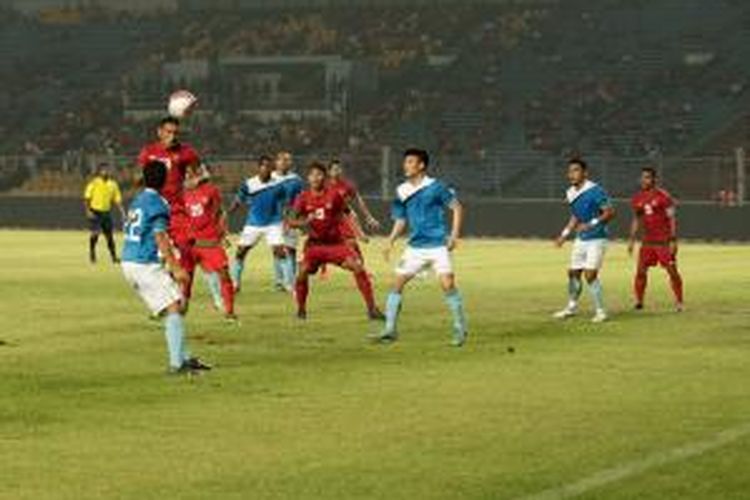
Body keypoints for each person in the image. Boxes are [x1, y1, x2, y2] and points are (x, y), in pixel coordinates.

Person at [121, 161, 210, 375]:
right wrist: (176, 267)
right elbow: (160, 236)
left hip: (129, 262)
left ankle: (184, 357)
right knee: (174, 308)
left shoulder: (138, 200)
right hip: (144, 264)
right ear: (166, 180)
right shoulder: (158, 204)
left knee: (175, 306)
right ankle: (177, 364)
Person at [376, 149, 467, 346]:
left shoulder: (436, 187)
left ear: (421, 165)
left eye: (410, 162)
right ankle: (390, 329)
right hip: (415, 248)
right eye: (405, 162)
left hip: (437, 246)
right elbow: (401, 219)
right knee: (397, 284)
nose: (405, 165)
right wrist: (390, 241)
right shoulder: (402, 190)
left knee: (447, 285)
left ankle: (460, 328)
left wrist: (454, 236)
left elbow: (457, 207)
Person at [287, 161, 384, 321]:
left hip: (335, 244)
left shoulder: (334, 195)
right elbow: (291, 221)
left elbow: (347, 212)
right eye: (312, 175)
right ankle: (301, 311)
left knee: (358, 267)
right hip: (315, 246)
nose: (316, 178)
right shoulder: (303, 197)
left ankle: (372, 309)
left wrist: (359, 231)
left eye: (319, 174)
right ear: (308, 178)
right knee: (302, 273)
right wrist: (304, 222)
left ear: (324, 177)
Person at [137, 116, 200, 304]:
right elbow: (138, 176)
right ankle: (164, 299)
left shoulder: (186, 152)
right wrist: (142, 177)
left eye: (175, 133)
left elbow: (201, 171)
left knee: (186, 249)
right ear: (159, 132)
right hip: (155, 208)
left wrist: (194, 181)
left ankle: (184, 294)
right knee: (155, 257)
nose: (172, 136)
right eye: (168, 132)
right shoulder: (149, 152)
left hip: (176, 211)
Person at [554, 159, 615, 323]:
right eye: (570, 171)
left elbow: (609, 212)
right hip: (581, 239)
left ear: (585, 173)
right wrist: (565, 234)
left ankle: (601, 311)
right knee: (573, 273)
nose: (571, 174)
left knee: (590, 275)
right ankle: (571, 307)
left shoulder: (596, 190)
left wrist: (591, 224)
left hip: (597, 238)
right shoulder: (570, 192)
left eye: (576, 171)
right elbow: (575, 216)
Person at [228, 155, 293, 293]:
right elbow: (239, 198)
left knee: (280, 251)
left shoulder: (278, 184)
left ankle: (289, 284)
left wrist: (286, 217)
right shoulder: (249, 183)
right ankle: (235, 283)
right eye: (264, 166)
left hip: (273, 223)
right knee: (240, 252)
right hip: (253, 224)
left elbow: (286, 202)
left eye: (269, 166)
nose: (267, 169)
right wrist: (230, 211)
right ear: (259, 168)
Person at [184, 164, 237, 320]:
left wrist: (223, 233)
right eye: (185, 173)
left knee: (224, 274)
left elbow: (220, 213)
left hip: (210, 242)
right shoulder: (181, 193)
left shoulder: (211, 190)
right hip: (191, 244)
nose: (188, 176)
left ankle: (230, 311)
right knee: (183, 279)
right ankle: (178, 310)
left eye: (190, 172)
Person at [628, 167, 684, 311]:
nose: (643, 180)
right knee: (640, 272)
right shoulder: (637, 198)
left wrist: (673, 239)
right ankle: (639, 301)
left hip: (664, 243)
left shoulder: (663, 196)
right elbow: (636, 219)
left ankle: (679, 301)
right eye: (642, 177)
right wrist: (632, 240)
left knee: (672, 271)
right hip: (647, 243)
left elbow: (671, 218)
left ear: (654, 179)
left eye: (647, 177)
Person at [272, 151, 304, 291]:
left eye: (288, 160)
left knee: (290, 249)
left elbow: (300, 201)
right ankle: (279, 281)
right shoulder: (270, 178)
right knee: (277, 249)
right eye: (282, 160)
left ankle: (290, 281)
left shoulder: (296, 180)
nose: (285, 163)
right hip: (273, 218)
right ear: (276, 162)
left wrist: (292, 218)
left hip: (291, 217)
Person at [83, 164, 125, 264]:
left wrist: (122, 211)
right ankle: (92, 253)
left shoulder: (113, 184)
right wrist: (88, 211)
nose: (106, 172)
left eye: (107, 170)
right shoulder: (94, 182)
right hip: (95, 211)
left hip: (106, 212)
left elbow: (117, 199)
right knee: (95, 233)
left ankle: (114, 257)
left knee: (109, 236)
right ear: (99, 171)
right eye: (103, 170)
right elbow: (87, 198)